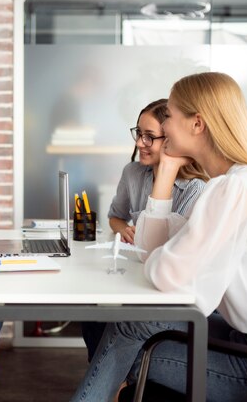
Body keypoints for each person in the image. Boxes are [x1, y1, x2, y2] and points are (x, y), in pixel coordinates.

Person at [71, 72, 247, 402]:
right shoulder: (237, 182)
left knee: (124, 334)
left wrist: (160, 258)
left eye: (172, 116)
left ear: (197, 124)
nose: (164, 130)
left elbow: (172, 277)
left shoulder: (235, 188)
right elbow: (155, 250)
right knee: (124, 326)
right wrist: (165, 172)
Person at [81, 98, 208, 362]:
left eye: (149, 137)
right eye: (138, 133)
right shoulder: (132, 173)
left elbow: (176, 255)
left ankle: (123, 373)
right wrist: (124, 228)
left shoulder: (196, 190)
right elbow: (114, 217)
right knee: (92, 316)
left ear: (171, 138)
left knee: (118, 322)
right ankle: (112, 376)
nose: (140, 143)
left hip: (163, 287)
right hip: (135, 274)